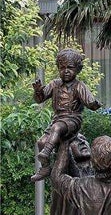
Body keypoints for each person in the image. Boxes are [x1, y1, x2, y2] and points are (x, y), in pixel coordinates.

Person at [32, 48, 101, 181]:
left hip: (73, 119)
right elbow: (40, 99)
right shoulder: (54, 84)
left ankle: (46, 153)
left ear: (78, 69)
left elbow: (89, 101)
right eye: (62, 68)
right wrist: (38, 91)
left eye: (70, 67)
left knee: (56, 128)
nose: (66, 71)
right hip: (58, 119)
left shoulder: (79, 86)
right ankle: (45, 167)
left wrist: (95, 104)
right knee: (41, 141)